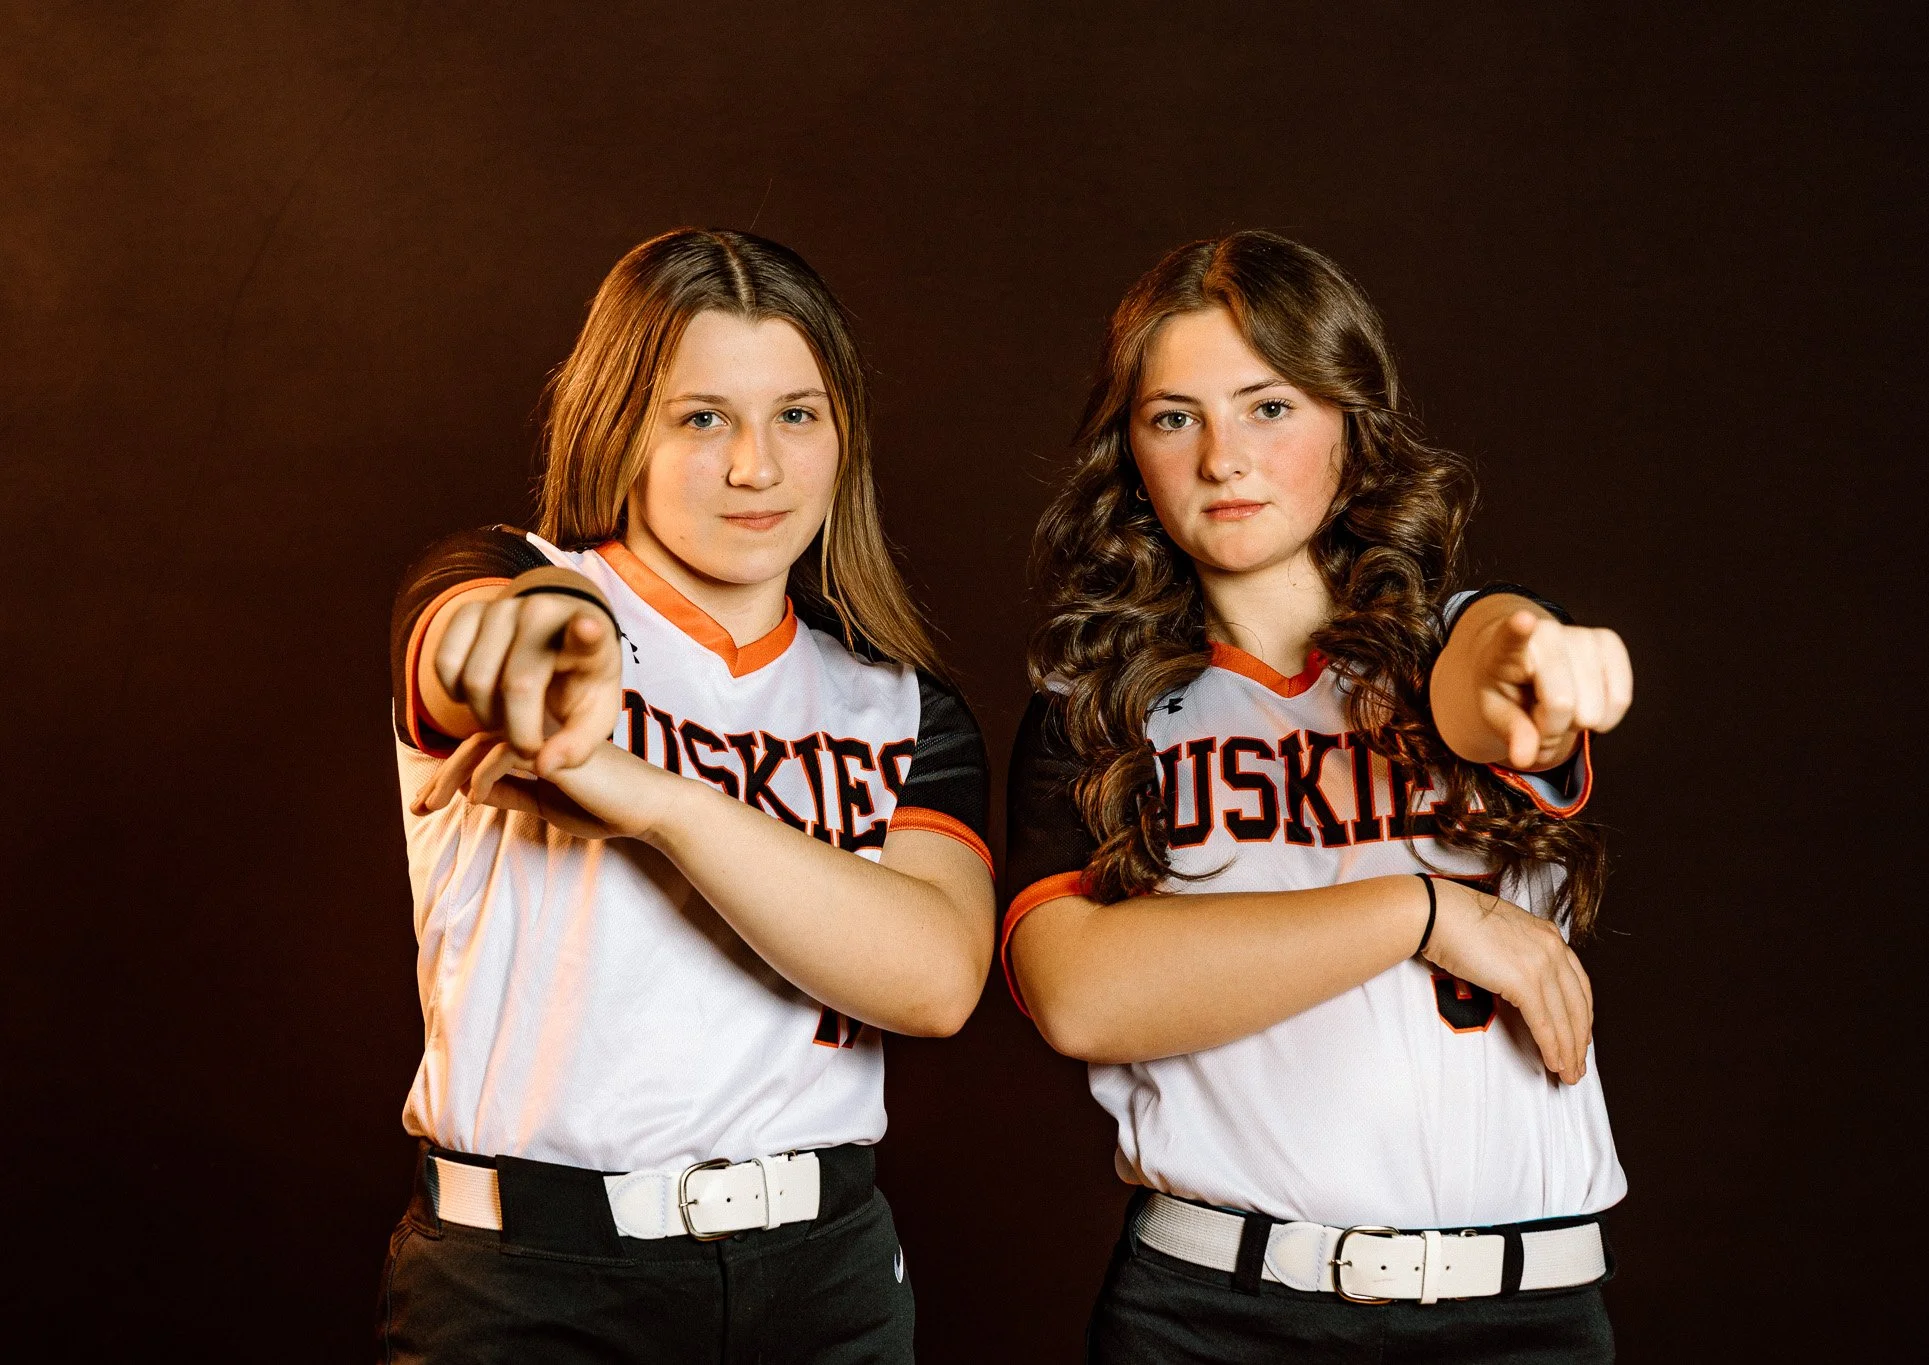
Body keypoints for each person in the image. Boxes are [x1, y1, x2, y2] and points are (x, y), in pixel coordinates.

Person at [1004, 231, 1635, 1363]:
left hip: (1521, 1318)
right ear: (1130, 452)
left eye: (1269, 407)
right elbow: (1080, 998)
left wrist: (1538, 657)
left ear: (1352, 421)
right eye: (1174, 418)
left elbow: (1495, 668)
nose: (1222, 459)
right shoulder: (1094, 710)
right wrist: (1422, 913)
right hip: (1217, 1312)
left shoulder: (1451, 644)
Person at [375, 228, 995, 1364]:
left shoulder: (900, 704)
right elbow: (480, 634)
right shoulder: (513, 578)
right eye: (702, 418)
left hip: (822, 1280)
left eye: (796, 414)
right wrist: (547, 649)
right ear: (622, 428)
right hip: (533, 1281)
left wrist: (660, 804)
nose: (757, 467)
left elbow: (936, 979)